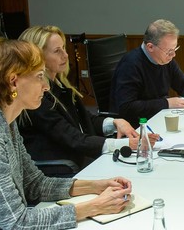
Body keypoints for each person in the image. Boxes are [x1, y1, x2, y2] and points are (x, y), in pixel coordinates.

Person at [0, 37, 132, 229]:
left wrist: (96, 186)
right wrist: (93, 207)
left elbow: (35, 184)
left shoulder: (4, 122)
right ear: (13, 81)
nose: (46, 87)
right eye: (39, 77)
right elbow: (16, 223)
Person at [17, 26, 159, 174]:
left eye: (64, 48)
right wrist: (125, 144)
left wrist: (115, 123)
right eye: (56, 51)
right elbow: (72, 138)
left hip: (81, 159)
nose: (65, 55)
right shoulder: (37, 98)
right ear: (38, 58)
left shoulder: (60, 85)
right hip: (61, 169)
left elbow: (84, 120)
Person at [111, 19, 184, 127]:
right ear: (150, 47)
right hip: (137, 126)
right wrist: (166, 103)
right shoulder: (130, 65)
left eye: (175, 49)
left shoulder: (165, 60)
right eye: (169, 51)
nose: (173, 55)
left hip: (158, 117)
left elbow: (183, 83)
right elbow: (127, 107)